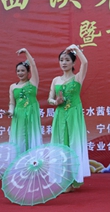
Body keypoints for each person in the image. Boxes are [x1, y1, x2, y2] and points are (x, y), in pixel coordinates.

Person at [48, 44, 90, 187]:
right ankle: (63, 178)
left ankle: (74, 179)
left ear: (73, 63)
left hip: (73, 114)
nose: (64, 63)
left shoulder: (78, 78)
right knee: (61, 143)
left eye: (67, 60)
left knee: (74, 143)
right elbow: (50, 99)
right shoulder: (56, 80)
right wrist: (56, 102)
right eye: (61, 60)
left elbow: (85, 63)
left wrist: (76, 49)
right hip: (60, 114)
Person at [5, 49, 43, 153]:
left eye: (23, 70)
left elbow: (33, 65)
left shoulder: (33, 82)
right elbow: (12, 102)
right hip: (19, 115)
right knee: (19, 137)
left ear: (28, 72)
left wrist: (26, 52)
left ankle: (33, 160)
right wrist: (10, 111)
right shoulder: (13, 86)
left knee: (31, 136)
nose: (20, 73)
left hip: (31, 113)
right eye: (18, 71)